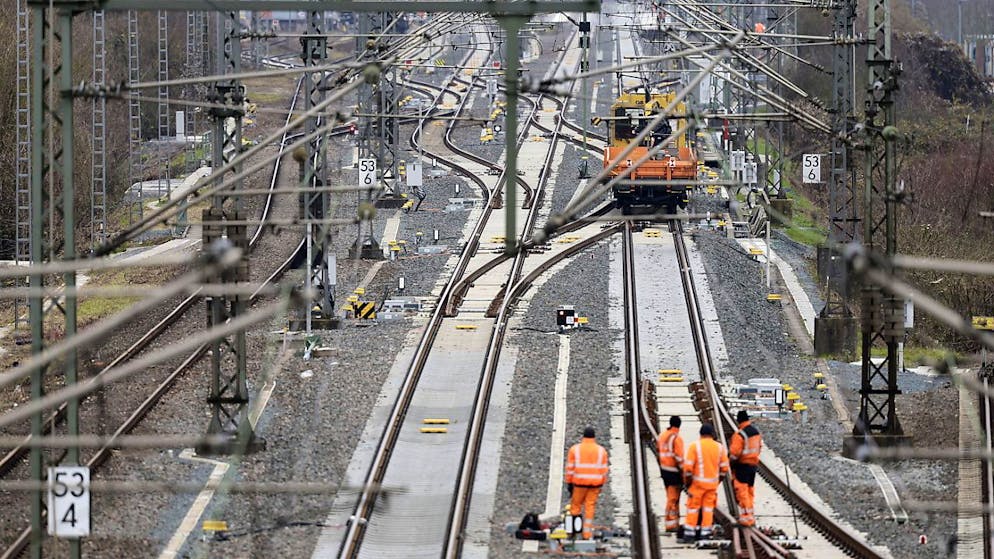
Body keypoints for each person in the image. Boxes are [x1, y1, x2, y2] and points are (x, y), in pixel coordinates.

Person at [680, 423, 729, 543]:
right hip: (711, 486)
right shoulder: (719, 447)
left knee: (693, 508)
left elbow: (688, 468)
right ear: (712, 434)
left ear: (700, 434)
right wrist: (717, 481)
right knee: (708, 509)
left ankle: (689, 535)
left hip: (697, 485)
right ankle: (705, 534)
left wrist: (687, 482)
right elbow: (724, 468)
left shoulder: (694, 446)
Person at [565, 426, 609, 540]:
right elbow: (604, 470)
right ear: (594, 437)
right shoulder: (601, 451)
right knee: (590, 507)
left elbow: (570, 468)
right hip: (595, 484)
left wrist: (569, 483)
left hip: (579, 483)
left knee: (576, 506)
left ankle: (573, 532)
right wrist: (602, 483)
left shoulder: (575, 449)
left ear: (583, 436)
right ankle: (587, 534)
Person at [729, 410, 763, 527]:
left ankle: (746, 517)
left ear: (739, 421)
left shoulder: (740, 435)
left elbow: (734, 453)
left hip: (742, 466)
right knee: (750, 490)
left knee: (742, 490)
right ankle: (751, 514)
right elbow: (759, 447)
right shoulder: (756, 432)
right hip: (753, 466)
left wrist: (729, 462)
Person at [657, 415, 685, 532]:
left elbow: (658, 452)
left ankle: (674, 521)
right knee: (673, 498)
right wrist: (684, 472)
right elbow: (679, 458)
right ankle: (671, 523)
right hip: (674, 471)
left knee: (671, 496)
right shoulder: (676, 438)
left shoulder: (662, 435)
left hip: (664, 470)